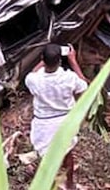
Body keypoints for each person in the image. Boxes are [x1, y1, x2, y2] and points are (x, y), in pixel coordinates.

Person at [25, 43, 87, 190]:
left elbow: (33, 72)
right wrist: (73, 60)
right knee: (67, 153)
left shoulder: (34, 80)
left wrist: (43, 60)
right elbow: (84, 85)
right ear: (60, 61)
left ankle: (47, 184)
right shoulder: (69, 78)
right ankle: (69, 184)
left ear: (42, 59)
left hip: (43, 124)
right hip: (64, 121)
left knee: (45, 158)